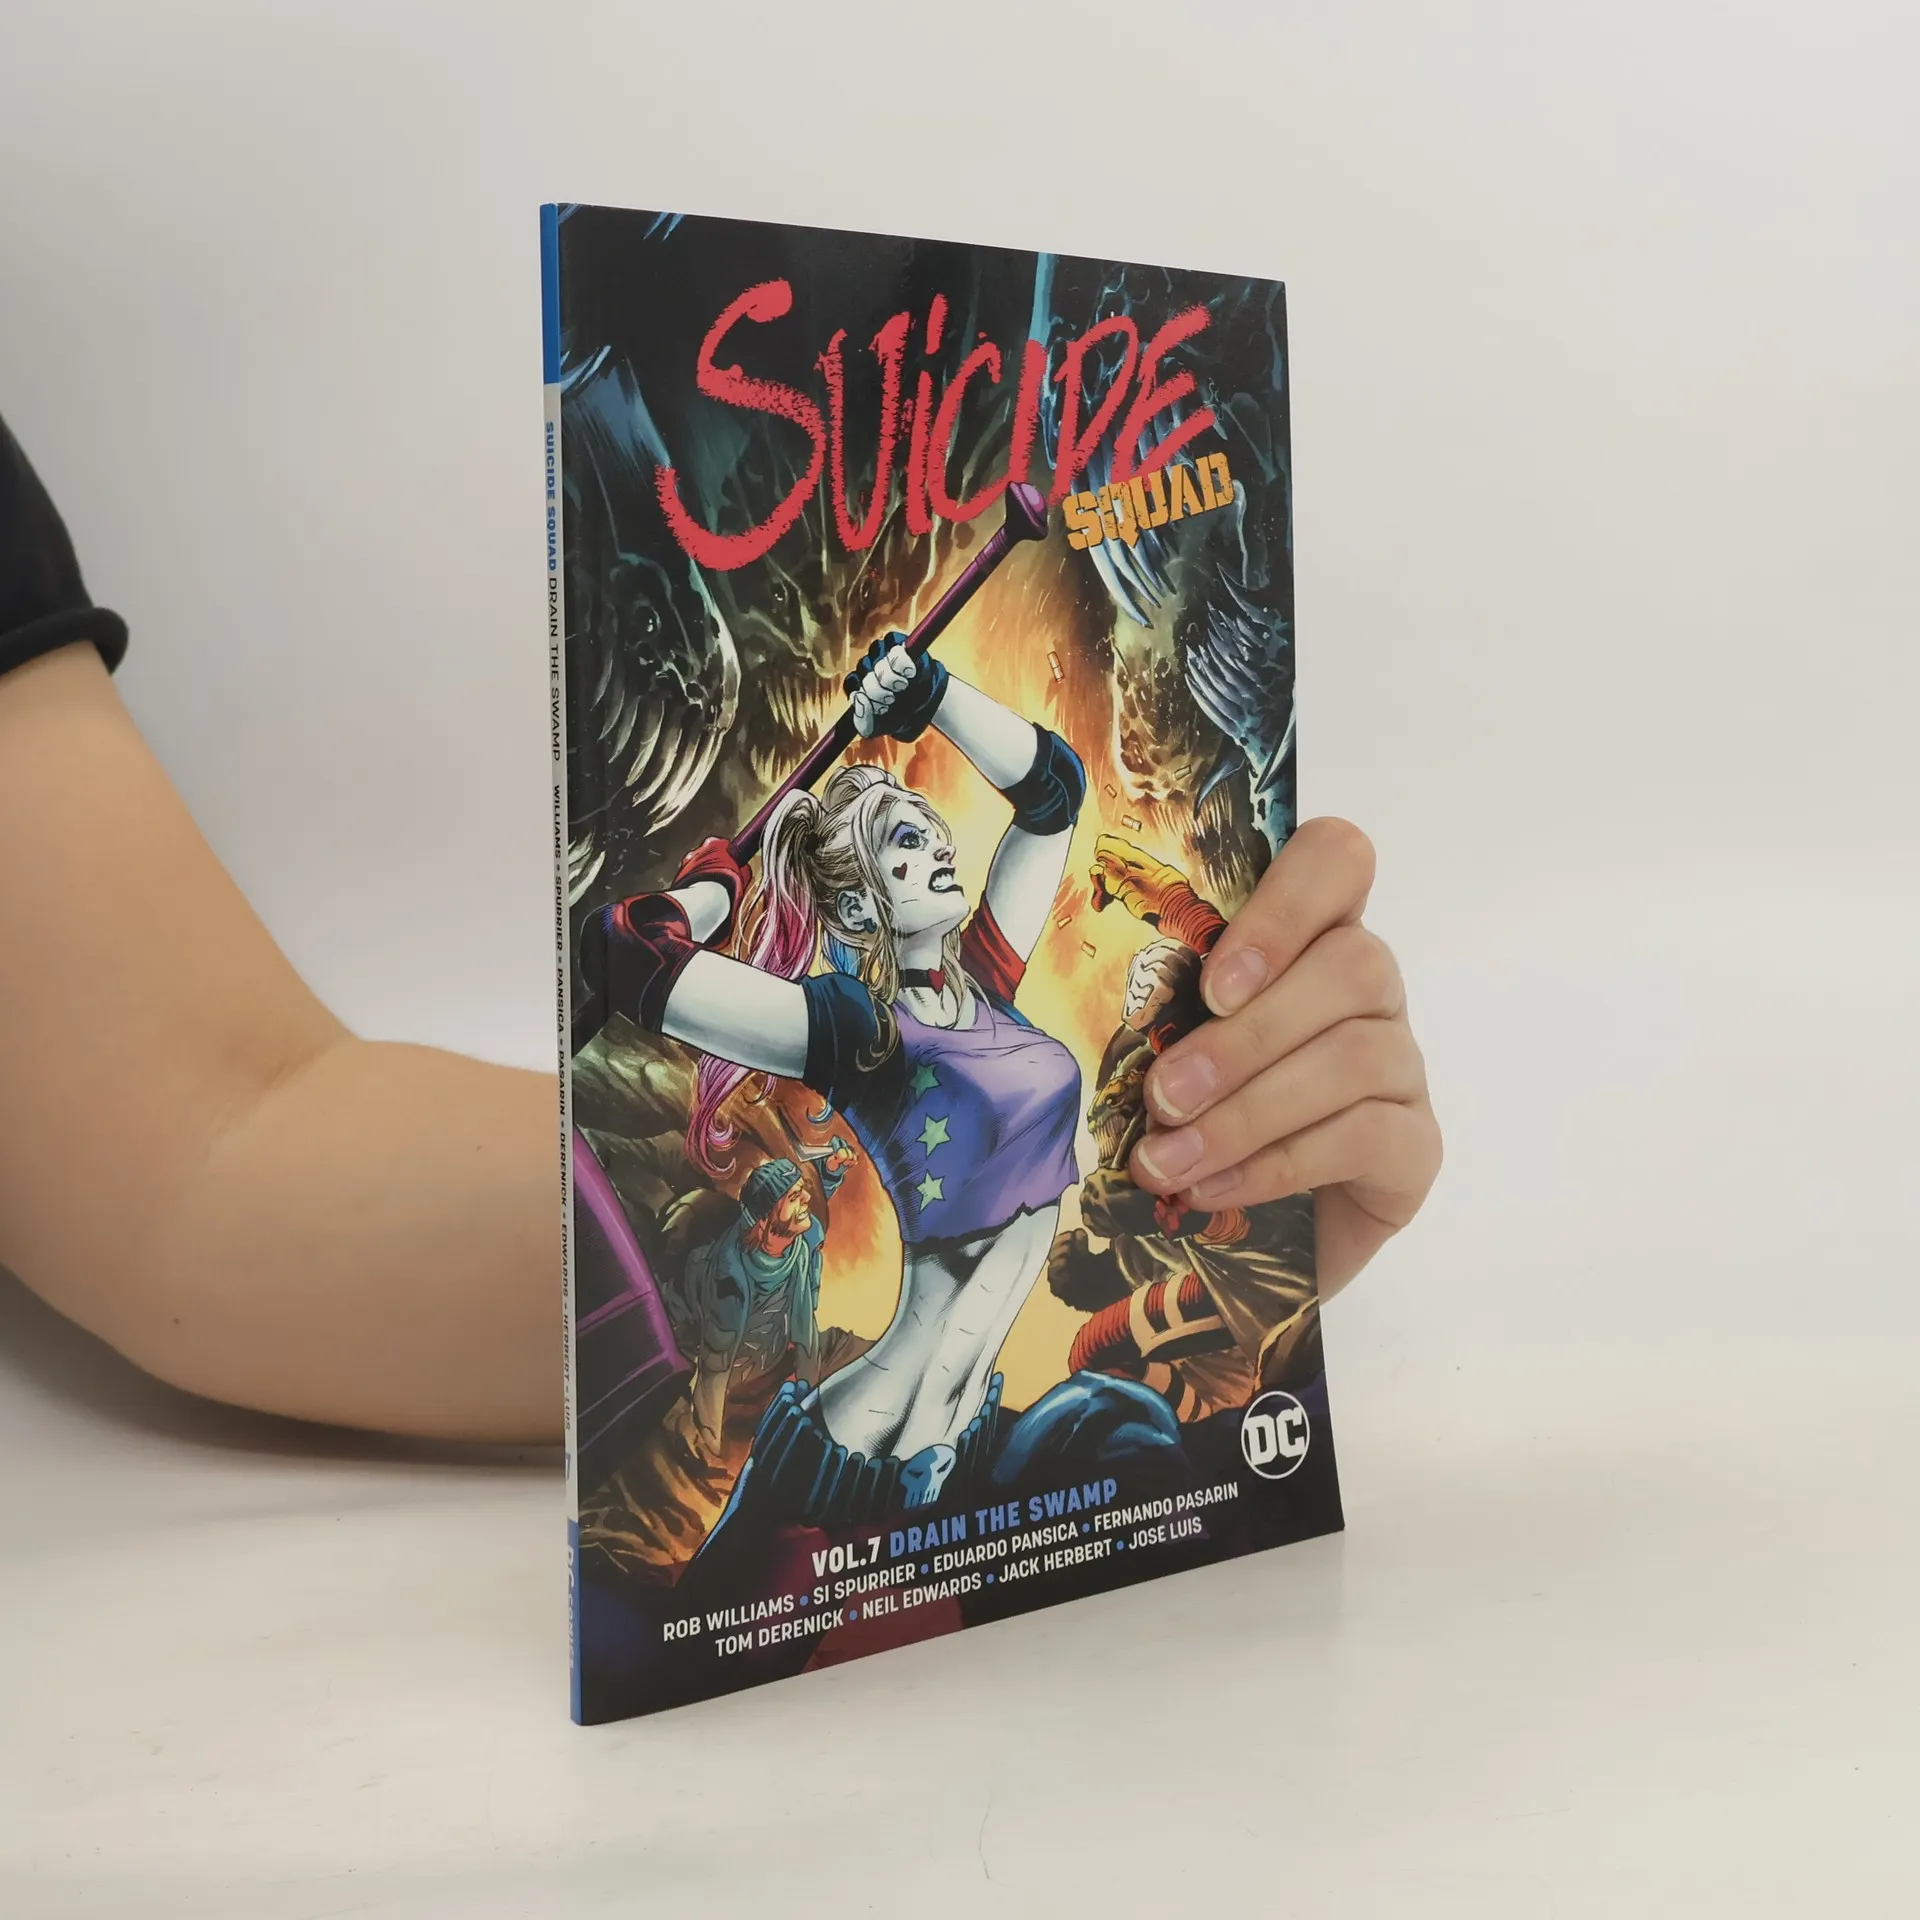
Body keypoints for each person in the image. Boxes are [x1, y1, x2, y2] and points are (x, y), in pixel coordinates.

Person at [0, 413, 1443, 1444]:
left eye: (927, 826)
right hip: (869, 1453)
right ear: (858, 904)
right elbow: (636, 967)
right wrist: (699, 891)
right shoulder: (853, 1030)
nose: (939, 846)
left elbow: (1053, 794)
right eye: (903, 842)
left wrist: (1252, 1220)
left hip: (982, 1441)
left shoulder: (991, 983)